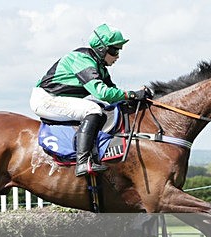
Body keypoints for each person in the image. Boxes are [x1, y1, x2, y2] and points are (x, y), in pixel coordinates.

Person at [30, 23, 152, 177]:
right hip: (46, 99)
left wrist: (137, 97)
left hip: (57, 98)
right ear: (102, 49)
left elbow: (113, 96)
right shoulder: (82, 59)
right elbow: (103, 93)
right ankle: (83, 162)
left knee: (101, 108)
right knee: (93, 109)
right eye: (114, 50)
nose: (117, 56)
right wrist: (132, 94)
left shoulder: (100, 67)